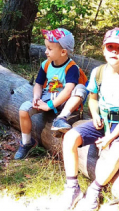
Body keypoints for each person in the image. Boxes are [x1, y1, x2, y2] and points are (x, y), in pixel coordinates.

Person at [60, 28, 119, 211]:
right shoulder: (98, 72)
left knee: (118, 150)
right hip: (102, 121)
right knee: (70, 137)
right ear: (103, 50)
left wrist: (110, 138)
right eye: (110, 47)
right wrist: (95, 115)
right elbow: (93, 99)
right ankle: (72, 187)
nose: (114, 51)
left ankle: (95, 189)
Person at [15, 28, 88, 160]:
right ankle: (26, 142)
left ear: (63, 52)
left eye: (49, 49)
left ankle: (62, 118)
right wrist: (37, 98)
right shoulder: (46, 65)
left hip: (65, 101)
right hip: (48, 97)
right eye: (46, 48)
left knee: (80, 88)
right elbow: (38, 83)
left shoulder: (71, 68)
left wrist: (49, 105)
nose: (45, 51)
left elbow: (68, 90)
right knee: (23, 109)